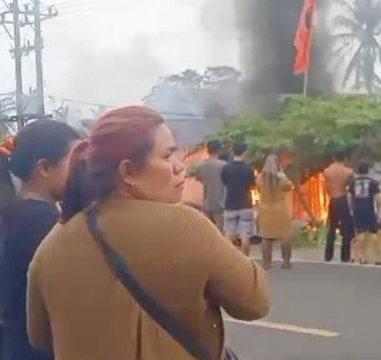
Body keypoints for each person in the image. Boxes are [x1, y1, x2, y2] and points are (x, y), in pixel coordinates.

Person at [27, 106, 269, 360]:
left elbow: (40, 337)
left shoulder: (52, 245)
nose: (179, 167)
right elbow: (255, 301)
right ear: (127, 171)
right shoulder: (185, 225)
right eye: (167, 156)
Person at [0, 120, 80, 360]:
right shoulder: (42, 224)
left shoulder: (16, 215)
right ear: (44, 168)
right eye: (75, 162)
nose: (82, 171)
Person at [256, 154, 294, 269]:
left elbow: (258, 188)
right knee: (284, 236)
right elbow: (290, 186)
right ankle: (286, 262)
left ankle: (266, 263)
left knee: (266, 237)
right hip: (280, 209)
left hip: (265, 209)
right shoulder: (281, 178)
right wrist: (282, 174)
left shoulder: (259, 178)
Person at [222, 141, 256, 256]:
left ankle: (227, 259)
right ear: (244, 153)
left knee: (229, 234)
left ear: (233, 152)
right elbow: (252, 184)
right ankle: (245, 259)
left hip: (230, 204)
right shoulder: (248, 168)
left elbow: (224, 182)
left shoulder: (226, 168)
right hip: (245, 203)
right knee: (245, 235)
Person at [347, 160, 381, 265]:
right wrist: (378, 210)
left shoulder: (353, 182)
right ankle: (377, 258)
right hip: (369, 208)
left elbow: (349, 196)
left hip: (358, 208)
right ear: (368, 170)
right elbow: (378, 198)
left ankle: (363, 257)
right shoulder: (373, 182)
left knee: (360, 232)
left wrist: (351, 208)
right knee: (373, 232)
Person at [188, 139, 227, 233]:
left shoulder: (201, 166)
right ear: (219, 150)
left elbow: (189, 173)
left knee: (208, 232)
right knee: (221, 232)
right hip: (221, 204)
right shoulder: (224, 166)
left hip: (207, 203)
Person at [324, 149, 355, 263]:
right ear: (344, 158)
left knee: (332, 228)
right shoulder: (348, 172)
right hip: (343, 199)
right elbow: (351, 189)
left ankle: (328, 255)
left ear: (333, 157)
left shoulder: (327, 171)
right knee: (346, 229)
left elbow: (326, 188)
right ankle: (345, 256)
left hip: (333, 199)